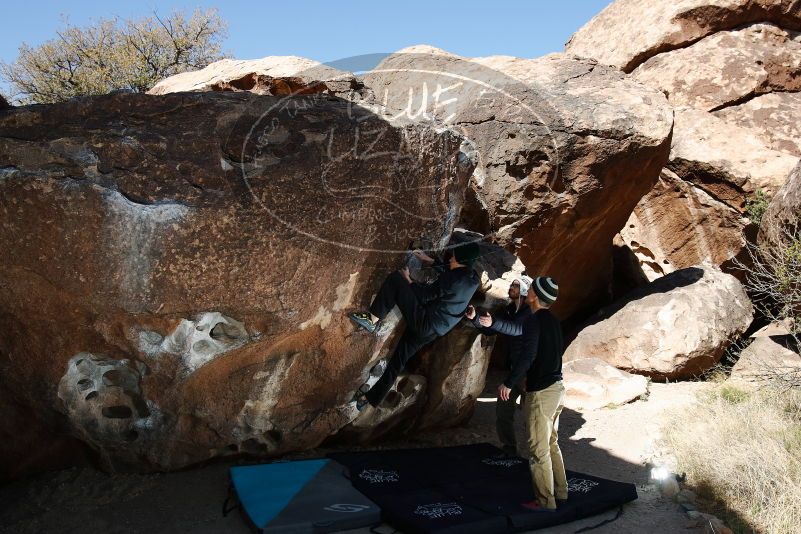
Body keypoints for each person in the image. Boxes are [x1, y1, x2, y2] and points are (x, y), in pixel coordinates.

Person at [349, 242, 481, 411]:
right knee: (397, 362)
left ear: (461, 259)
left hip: (425, 322)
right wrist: (429, 261)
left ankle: (371, 319)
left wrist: (408, 279)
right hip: (434, 331)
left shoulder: (453, 278)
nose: (451, 258)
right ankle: (368, 400)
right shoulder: (473, 278)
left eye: (455, 256)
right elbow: (452, 277)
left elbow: (425, 295)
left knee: (396, 280)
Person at [512, 276, 566, 512]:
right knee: (551, 443)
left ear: (534, 296)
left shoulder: (534, 321)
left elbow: (529, 355)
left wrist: (509, 382)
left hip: (542, 393)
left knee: (537, 449)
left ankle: (545, 501)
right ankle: (561, 491)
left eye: (530, 289)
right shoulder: (553, 321)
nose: (527, 291)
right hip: (557, 388)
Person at [465, 276, 533, 456]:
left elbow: (516, 329)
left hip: (529, 371)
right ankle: (509, 449)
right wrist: (475, 319)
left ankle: (537, 455)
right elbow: (491, 329)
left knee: (532, 416)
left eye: (516, 286)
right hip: (514, 370)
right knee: (503, 409)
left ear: (525, 291)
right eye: (512, 284)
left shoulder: (529, 313)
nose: (512, 287)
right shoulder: (508, 310)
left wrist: (494, 322)